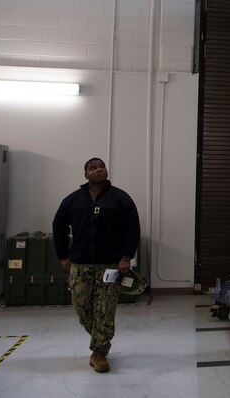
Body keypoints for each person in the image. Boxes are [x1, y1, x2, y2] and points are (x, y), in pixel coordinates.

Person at [52, 157, 141, 374]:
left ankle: (99, 353)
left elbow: (132, 229)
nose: (98, 169)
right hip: (80, 265)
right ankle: (99, 340)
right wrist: (63, 256)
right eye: (93, 168)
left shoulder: (120, 198)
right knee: (83, 309)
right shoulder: (73, 200)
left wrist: (126, 257)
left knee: (105, 309)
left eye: (101, 167)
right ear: (86, 175)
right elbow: (58, 226)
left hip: (110, 266)